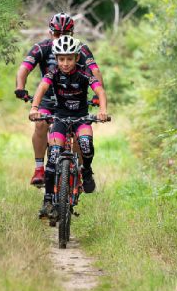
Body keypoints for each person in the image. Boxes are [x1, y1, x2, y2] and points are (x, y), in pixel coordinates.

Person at [14, 12, 103, 187]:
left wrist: (96, 96)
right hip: (48, 100)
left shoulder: (80, 48)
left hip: (75, 102)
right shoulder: (41, 47)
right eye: (57, 34)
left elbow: (95, 72)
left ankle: (77, 171)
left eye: (65, 34)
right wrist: (20, 88)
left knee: (79, 137)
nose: (60, 37)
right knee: (40, 124)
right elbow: (24, 68)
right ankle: (39, 168)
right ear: (50, 32)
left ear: (72, 34)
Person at [28, 35, 108, 220]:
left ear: (77, 58)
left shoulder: (84, 73)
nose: (65, 63)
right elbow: (41, 88)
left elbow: (99, 90)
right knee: (54, 155)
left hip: (81, 118)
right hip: (60, 117)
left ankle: (86, 171)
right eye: (61, 59)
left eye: (69, 59)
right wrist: (34, 108)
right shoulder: (53, 73)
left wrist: (102, 110)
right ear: (56, 59)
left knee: (86, 144)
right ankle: (48, 199)